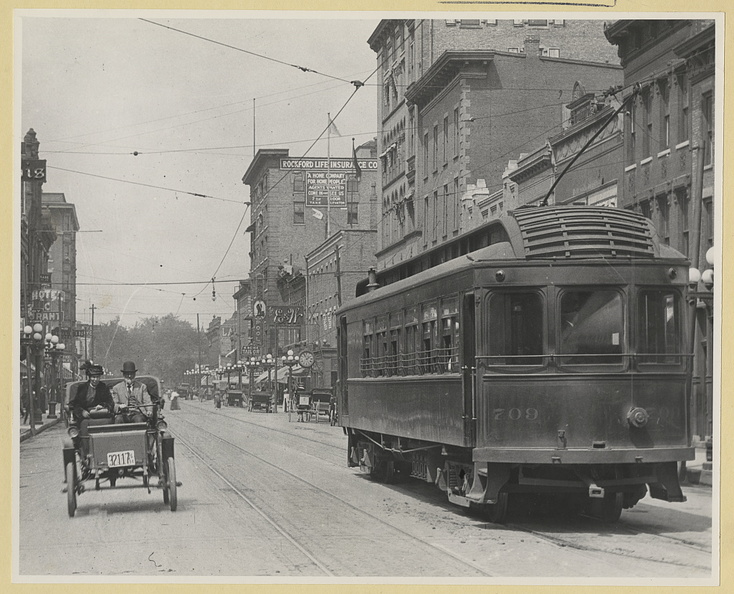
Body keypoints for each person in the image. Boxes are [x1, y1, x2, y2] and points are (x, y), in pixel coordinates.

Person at [68, 363, 114, 454]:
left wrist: (102, 405)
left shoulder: (103, 387)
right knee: (84, 426)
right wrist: (82, 411)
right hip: (87, 417)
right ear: (89, 377)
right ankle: (87, 453)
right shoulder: (82, 388)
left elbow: (110, 402)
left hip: (102, 416)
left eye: (97, 377)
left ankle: (107, 450)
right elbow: (75, 404)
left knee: (110, 422)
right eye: (93, 377)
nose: (95, 380)